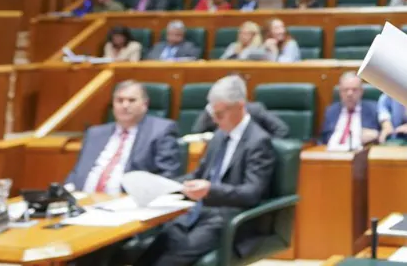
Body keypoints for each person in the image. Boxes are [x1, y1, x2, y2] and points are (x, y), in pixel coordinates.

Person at [136, 76, 276, 266]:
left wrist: (210, 190)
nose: (215, 120)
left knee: (170, 258)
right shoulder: (218, 136)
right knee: (153, 247)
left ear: (240, 106)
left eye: (220, 114)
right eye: (213, 113)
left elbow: (252, 193)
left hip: (228, 218)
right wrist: (169, 185)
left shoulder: (258, 141)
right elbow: (199, 174)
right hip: (197, 211)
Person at [66, 81, 181, 193]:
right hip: (83, 201)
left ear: (145, 104)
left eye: (132, 100)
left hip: (127, 203)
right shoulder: (95, 133)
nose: (125, 105)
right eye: (120, 100)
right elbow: (77, 173)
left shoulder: (161, 130)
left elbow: (167, 175)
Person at [321, 72, 385, 150]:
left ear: (361, 91)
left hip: (361, 154)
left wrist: (377, 135)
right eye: (345, 90)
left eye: (354, 90)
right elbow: (324, 138)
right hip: (333, 154)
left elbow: (385, 134)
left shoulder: (373, 109)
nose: (349, 93)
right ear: (340, 92)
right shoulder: (331, 111)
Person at [190, 97, 289, 137]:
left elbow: (281, 130)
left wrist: (264, 147)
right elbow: (197, 132)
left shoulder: (255, 110)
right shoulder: (213, 110)